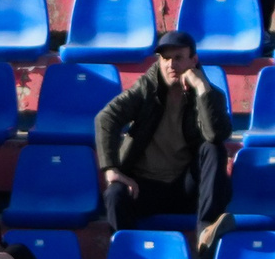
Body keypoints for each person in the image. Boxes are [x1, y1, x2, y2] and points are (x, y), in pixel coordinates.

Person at [97, 32, 232, 245]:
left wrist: (201, 88)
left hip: (185, 188)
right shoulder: (146, 88)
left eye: (178, 58)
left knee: (214, 149)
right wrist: (111, 169)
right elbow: (106, 117)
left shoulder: (209, 94)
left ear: (193, 61)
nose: (171, 64)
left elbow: (215, 135)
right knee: (114, 194)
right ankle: (128, 255)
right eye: (165, 59)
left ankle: (206, 230)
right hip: (143, 187)